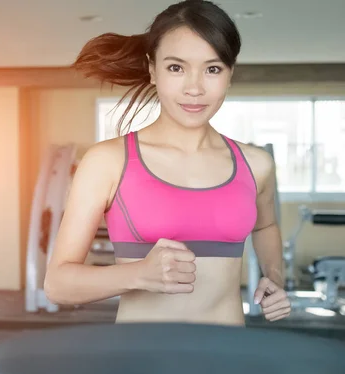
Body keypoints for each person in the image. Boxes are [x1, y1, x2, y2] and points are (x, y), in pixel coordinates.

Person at [44, 0, 290, 326]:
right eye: (176, 67)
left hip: (228, 358)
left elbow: (265, 225)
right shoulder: (108, 161)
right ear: (152, 69)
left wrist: (275, 278)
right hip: (140, 362)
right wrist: (138, 274)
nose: (194, 88)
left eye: (212, 69)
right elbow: (58, 284)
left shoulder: (257, 164)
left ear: (230, 74)